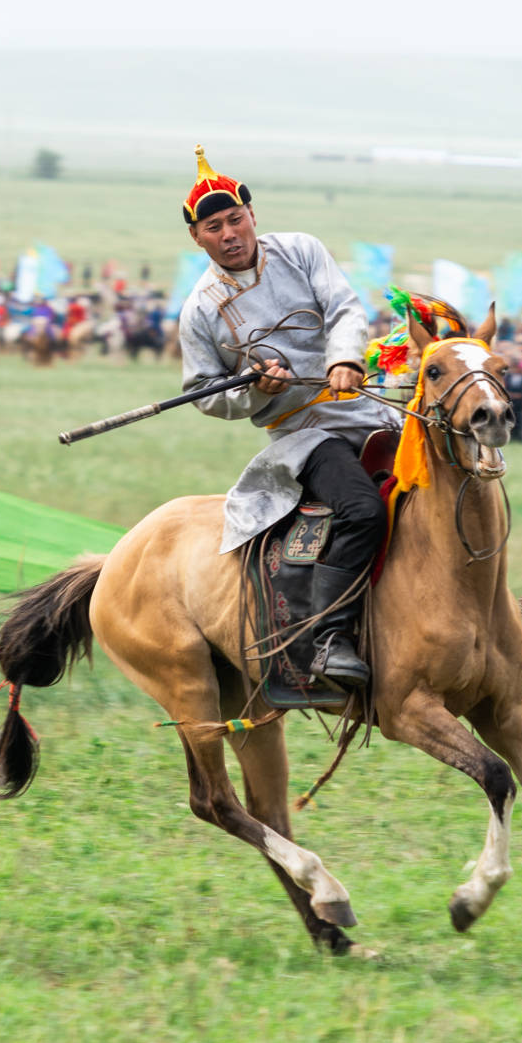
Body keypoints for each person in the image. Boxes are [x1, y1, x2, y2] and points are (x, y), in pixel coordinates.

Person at [176, 148, 397, 692]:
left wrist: (343, 357)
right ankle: (331, 639)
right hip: (304, 434)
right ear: (197, 239)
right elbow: (204, 394)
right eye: (214, 227)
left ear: (253, 215)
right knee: (363, 509)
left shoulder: (301, 250)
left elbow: (345, 307)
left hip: (369, 407)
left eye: (235, 219)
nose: (229, 233)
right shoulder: (201, 309)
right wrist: (254, 392)